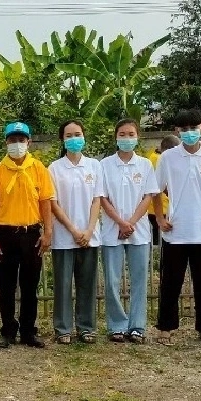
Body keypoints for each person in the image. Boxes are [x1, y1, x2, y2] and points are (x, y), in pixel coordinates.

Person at [154, 109, 201, 346]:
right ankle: (165, 328)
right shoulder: (168, 157)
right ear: (177, 131)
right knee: (170, 283)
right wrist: (160, 219)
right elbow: (156, 189)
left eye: (193, 129)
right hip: (175, 231)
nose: (189, 133)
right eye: (184, 129)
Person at [0, 121, 55, 349]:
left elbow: (46, 202)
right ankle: (7, 331)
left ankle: (28, 331)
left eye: (21, 140)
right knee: (6, 287)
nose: (17, 144)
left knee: (29, 286)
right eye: (13, 140)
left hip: (31, 233)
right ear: (6, 142)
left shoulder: (38, 169)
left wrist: (48, 232)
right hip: (5, 234)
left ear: (29, 142)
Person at [100, 118, 160, 343]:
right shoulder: (104, 165)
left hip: (139, 231)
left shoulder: (145, 165)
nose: (126, 138)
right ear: (116, 137)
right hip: (111, 232)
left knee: (139, 280)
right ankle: (116, 325)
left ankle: (137, 326)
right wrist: (120, 222)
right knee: (112, 281)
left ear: (138, 137)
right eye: (122, 134)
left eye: (131, 134)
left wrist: (131, 223)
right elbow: (102, 198)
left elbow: (148, 197)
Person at [48, 120, 103, 345]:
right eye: (69, 135)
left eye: (77, 134)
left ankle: (86, 327)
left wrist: (89, 230)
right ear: (62, 139)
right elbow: (54, 203)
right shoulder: (54, 168)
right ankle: (63, 328)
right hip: (63, 236)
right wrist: (72, 229)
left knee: (87, 283)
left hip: (89, 236)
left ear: (84, 136)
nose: (74, 139)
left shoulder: (94, 166)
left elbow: (97, 200)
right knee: (62, 285)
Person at [147, 135, 181, 246]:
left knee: (155, 240)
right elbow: (164, 185)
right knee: (161, 241)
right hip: (162, 207)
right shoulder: (162, 159)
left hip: (151, 207)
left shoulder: (151, 157)